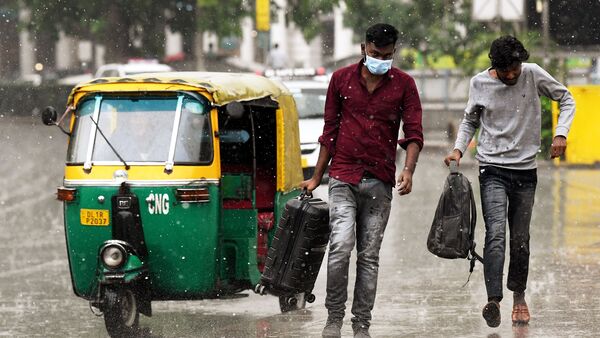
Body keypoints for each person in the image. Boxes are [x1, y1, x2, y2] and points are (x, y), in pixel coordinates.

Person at [300, 23, 423, 338]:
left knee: (369, 256)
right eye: (374, 53)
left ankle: (361, 325)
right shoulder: (341, 80)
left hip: (380, 182)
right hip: (343, 176)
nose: (380, 59)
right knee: (340, 247)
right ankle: (333, 318)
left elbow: (413, 134)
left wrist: (407, 170)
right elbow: (329, 130)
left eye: (386, 55)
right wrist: (316, 178)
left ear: (394, 52)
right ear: (363, 48)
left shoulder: (405, 85)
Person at [444, 35, 575, 328]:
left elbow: (566, 98)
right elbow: (470, 120)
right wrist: (458, 148)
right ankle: (493, 300)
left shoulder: (533, 74)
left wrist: (561, 132)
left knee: (520, 239)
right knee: (496, 235)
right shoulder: (479, 83)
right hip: (492, 168)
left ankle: (518, 296)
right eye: (506, 71)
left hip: (525, 171)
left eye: (516, 67)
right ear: (495, 68)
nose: (513, 75)